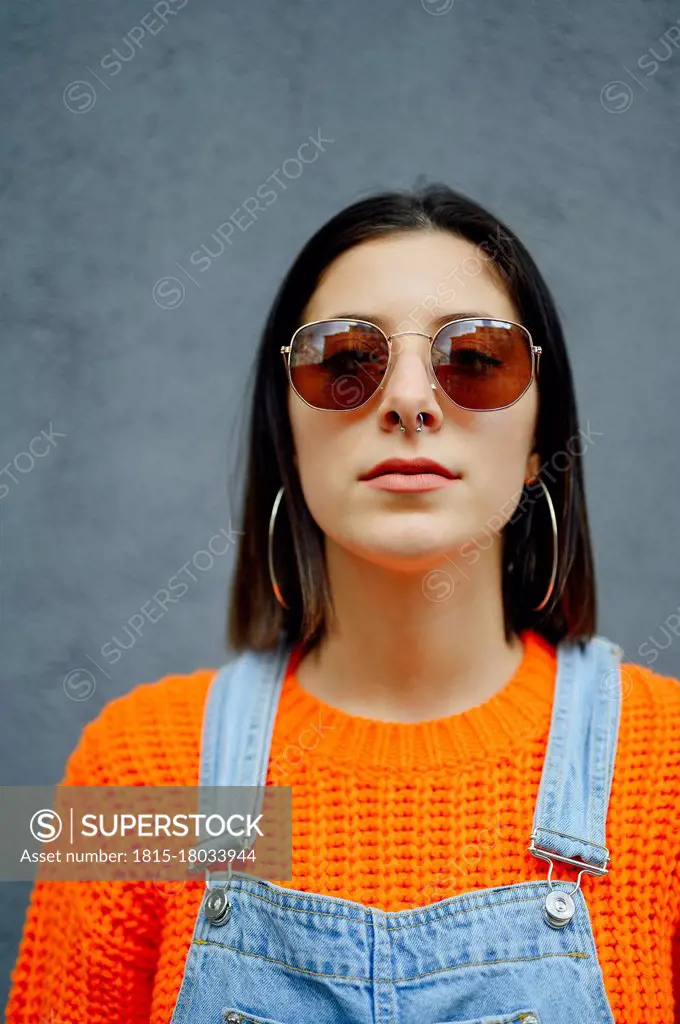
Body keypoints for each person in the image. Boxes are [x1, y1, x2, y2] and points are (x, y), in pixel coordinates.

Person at [6, 184, 680, 1024]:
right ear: (285, 432)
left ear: (541, 437)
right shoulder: (128, 773)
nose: (408, 401)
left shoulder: (669, 765)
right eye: (344, 361)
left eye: (474, 358)